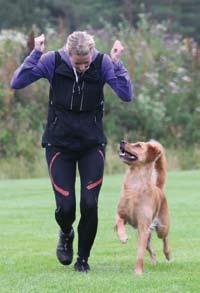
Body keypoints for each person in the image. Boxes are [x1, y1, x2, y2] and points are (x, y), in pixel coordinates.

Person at [11, 31, 134, 272]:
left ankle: (83, 259)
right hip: (59, 145)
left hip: (91, 145)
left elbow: (126, 95)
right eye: (78, 64)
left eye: (86, 63)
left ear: (92, 53)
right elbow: (17, 82)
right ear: (69, 55)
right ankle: (66, 232)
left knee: (89, 204)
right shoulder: (52, 61)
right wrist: (36, 53)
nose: (83, 68)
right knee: (66, 208)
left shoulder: (102, 63)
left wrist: (118, 63)